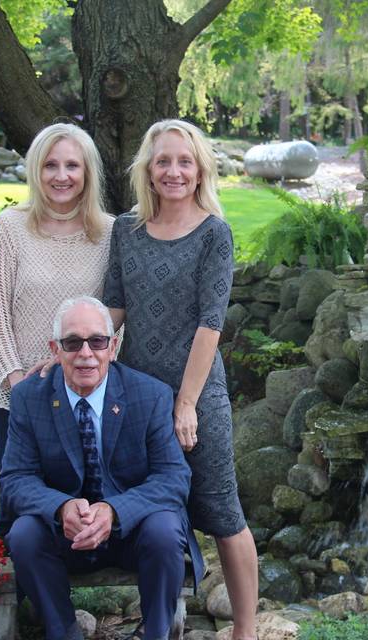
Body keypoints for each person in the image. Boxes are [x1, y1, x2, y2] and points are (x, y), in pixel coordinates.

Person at [102, 119, 259, 639]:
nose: (173, 171)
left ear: (200, 171)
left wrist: (186, 404)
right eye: (163, 161)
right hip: (136, 398)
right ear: (147, 168)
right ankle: (162, 624)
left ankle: (245, 630)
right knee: (156, 513)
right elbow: (114, 310)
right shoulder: (126, 230)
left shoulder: (214, 233)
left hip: (198, 397)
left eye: (184, 161)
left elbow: (210, 325)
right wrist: (67, 352)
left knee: (221, 511)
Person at [0, 297, 203, 640]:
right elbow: (16, 478)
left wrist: (114, 510)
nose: (85, 353)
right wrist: (60, 508)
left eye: (97, 341)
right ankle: (63, 632)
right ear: (55, 348)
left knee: (166, 529)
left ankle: (157, 633)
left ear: (113, 346)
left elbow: (173, 478)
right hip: (63, 534)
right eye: (72, 342)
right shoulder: (28, 398)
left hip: (131, 532)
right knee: (23, 534)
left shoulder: (150, 395)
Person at [0, 122, 114, 465]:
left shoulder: (110, 233)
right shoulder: (11, 226)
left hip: (87, 391)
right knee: (24, 505)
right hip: (17, 393)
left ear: (87, 172)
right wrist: (18, 383)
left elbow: (118, 317)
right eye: (50, 165)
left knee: (85, 504)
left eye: (72, 165)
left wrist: (89, 370)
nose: (61, 176)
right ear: (35, 171)